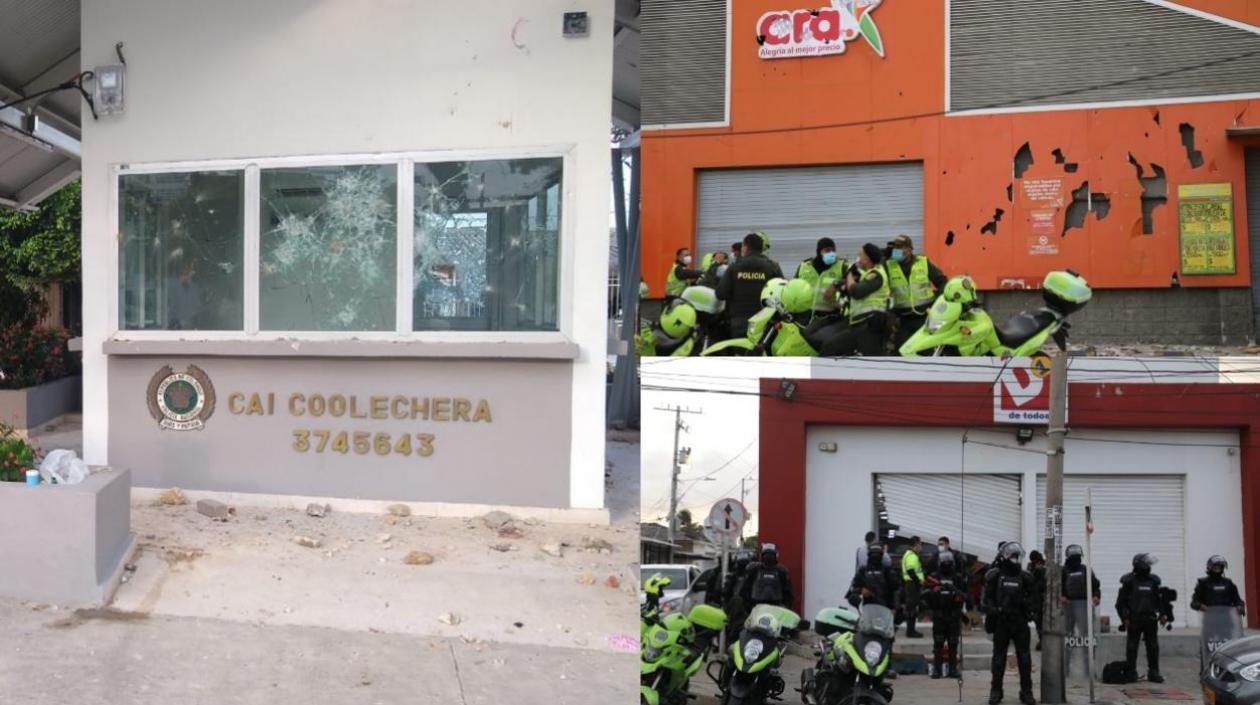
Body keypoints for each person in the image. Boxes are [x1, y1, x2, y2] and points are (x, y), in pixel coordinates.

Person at [983, 541, 1036, 705]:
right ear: (1006, 556)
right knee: (999, 659)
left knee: (1025, 659)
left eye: (1017, 556)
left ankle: (1026, 692)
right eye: (1013, 556)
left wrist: (1029, 611)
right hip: (1002, 622)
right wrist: (996, 610)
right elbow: (986, 600)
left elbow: (1035, 600)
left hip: (1020, 622)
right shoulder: (994, 575)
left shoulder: (1026, 576)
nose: (1016, 559)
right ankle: (996, 691)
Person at [817, 243, 890, 357]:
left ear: (868, 258)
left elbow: (856, 292)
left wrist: (849, 275)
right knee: (832, 347)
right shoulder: (866, 274)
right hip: (860, 325)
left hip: (870, 325)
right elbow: (848, 288)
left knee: (831, 347)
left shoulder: (876, 274)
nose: (858, 259)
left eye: (860, 255)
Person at [716, 232, 785, 339]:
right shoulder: (772, 267)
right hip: (765, 321)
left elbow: (721, 293)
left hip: (739, 322)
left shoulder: (734, 268)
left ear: (745, 247)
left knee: (740, 353)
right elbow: (782, 293)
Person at [884, 234, 948, 348]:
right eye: (895, 248)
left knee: (929, 349)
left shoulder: (923, 262)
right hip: (903, 320)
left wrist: (937, 304)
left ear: (909, 249)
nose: (896, 251)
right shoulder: (888, 265)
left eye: (900, 247)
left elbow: (943, 282)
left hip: (926, 316)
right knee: (901, 352)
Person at [1116, 553, 1165, 683]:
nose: (1149, 566)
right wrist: (1124, 618)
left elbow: (1159, 600)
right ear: (1140, 564)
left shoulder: (1153, 581)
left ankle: (1154, 672)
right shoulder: (1129, 581)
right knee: (1132, 647)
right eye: (1147, 563)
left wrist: (1162, 614)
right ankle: (1131, 672)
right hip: (1134, 619)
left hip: (1150, 619)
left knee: (1153, 646)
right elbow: (1120, 603)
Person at [927, 549, 968, 679]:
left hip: (954, 615)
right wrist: (934, 591)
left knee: (953, 643)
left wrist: (958, 597)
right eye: (944, 561)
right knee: (938, 644)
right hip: (939, 615)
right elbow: (924, 596)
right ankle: (937, 670)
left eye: (948, 561)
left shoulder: (958, 577)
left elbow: (965, 596)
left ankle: (952, 670)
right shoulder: (934, 577)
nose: (946, 564)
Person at [795, 237, 847, 326]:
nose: (831, 253)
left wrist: (841, 302)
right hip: (805, 317)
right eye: (827, 250)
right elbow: (793, 287)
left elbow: (855, 280)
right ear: (819, 251)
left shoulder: (841, 266)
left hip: (829, 317)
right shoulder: (804, 267)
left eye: (833, 250)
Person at [739, 543, 795, 609]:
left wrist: (785, 606)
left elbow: (788, 593)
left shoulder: (781, 571)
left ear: (775, 556)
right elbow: (745, 590)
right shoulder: (754, 570)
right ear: (762, 556)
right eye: (766, 555)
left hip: (777, 607)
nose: (768, 557)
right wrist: (748, 606)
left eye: (771, 555)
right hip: (756, 607)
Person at [848, 544, 900, 609]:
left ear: (881, 555)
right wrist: (861, 590)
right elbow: (853, 589)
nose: (875, 557)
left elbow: (896, 589)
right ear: (869, 555)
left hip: (886, 609)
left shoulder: (888, 571)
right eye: (873, 554)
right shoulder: (863, 571)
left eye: (877, 554)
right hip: (868, 609)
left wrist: (894, 608)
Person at [901, 536, 926, 638]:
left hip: (910, 584)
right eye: (920, 544)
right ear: (915, 544)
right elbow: (910, 571)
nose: (921, 546)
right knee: (912, 609)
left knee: (912, 608)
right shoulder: (911, 556)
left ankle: (911, 630)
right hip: (912, 585)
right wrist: (919, 581)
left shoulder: (910, 554)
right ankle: (910, 631)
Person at [1027, 550, 1046, 650]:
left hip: (1044, 598)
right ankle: (1042, 640)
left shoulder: (1045, 566)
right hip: (1035, 598)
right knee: (1038, 621)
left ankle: (1044, 641)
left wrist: (1041, 570)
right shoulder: (1030, 567)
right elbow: (1029, 580)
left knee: (1043, 621)